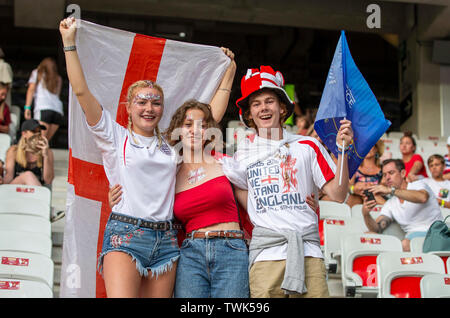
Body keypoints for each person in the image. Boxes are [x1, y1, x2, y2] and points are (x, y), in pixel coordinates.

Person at [59, 17, 236, 298]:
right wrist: (69, 43)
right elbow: (81, 92)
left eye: (155, 102)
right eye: (141, 102)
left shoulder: (171, 144)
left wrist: (228, 73)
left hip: (166, 240)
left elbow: (209, 117)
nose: (149, 108)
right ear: (128, 107)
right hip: (126, 233)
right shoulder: (114, 136)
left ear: (163, 108)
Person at [222, 65, 353, 298]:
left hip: (308, 253)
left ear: (282, 108)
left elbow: (339, 195)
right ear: (249, 114)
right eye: (256, 103)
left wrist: (342, 151)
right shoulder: (242, 153)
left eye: (269, 101)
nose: (263, 108)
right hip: (265, 257)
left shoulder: (308, 146)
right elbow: (246, 199)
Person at [110, 99, 252, 298]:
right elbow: (141, 196)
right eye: (187, 125)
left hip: (231, 249)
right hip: (190, 254)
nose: (195, 130)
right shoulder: (169, 174)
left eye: (202, 126)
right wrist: (118, 199)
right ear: (178, 129)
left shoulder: (226, 164)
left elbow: (256, 210)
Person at [362, 159, 443, 252]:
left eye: (391, 173)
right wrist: (365, 214)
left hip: (435, 234)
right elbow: (377, 228)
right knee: (368, 235)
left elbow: (422, 197)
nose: (387, 177)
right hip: (412, 240)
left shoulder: (418, 185)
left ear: (403, 173)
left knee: (405, 244)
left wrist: (390, 191)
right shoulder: (390, 203)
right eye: (384, 175)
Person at [3, 119, 54, 186]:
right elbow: (9, 177)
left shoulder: (47, 152)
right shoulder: (14, 150)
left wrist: (45, 156)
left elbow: (48, 180)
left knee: (29, 176)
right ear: (24, 134)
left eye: (39, 132)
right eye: (34, 131)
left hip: (35, 190)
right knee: (28, 175)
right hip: (16, 189)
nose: (37, 134)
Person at [24, 57, 64, 142]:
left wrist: (27, 108)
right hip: (58, 111)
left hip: (43, 108)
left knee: (39, 142)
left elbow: (31, 90)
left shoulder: (37, 73)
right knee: (45, 142)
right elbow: (58, 95)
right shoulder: (58, 78)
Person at [346, 140, 385, 207]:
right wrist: (354, 188)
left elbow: (384, 187)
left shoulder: (383, 169)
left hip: (376, 198)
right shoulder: (354, 167)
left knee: (377, 199)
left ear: (376, 149)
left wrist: (369, 188)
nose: (367, 148)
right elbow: (348, 186)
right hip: (356, 197)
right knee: (351, 199)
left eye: (370, 145)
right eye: (364, 146)